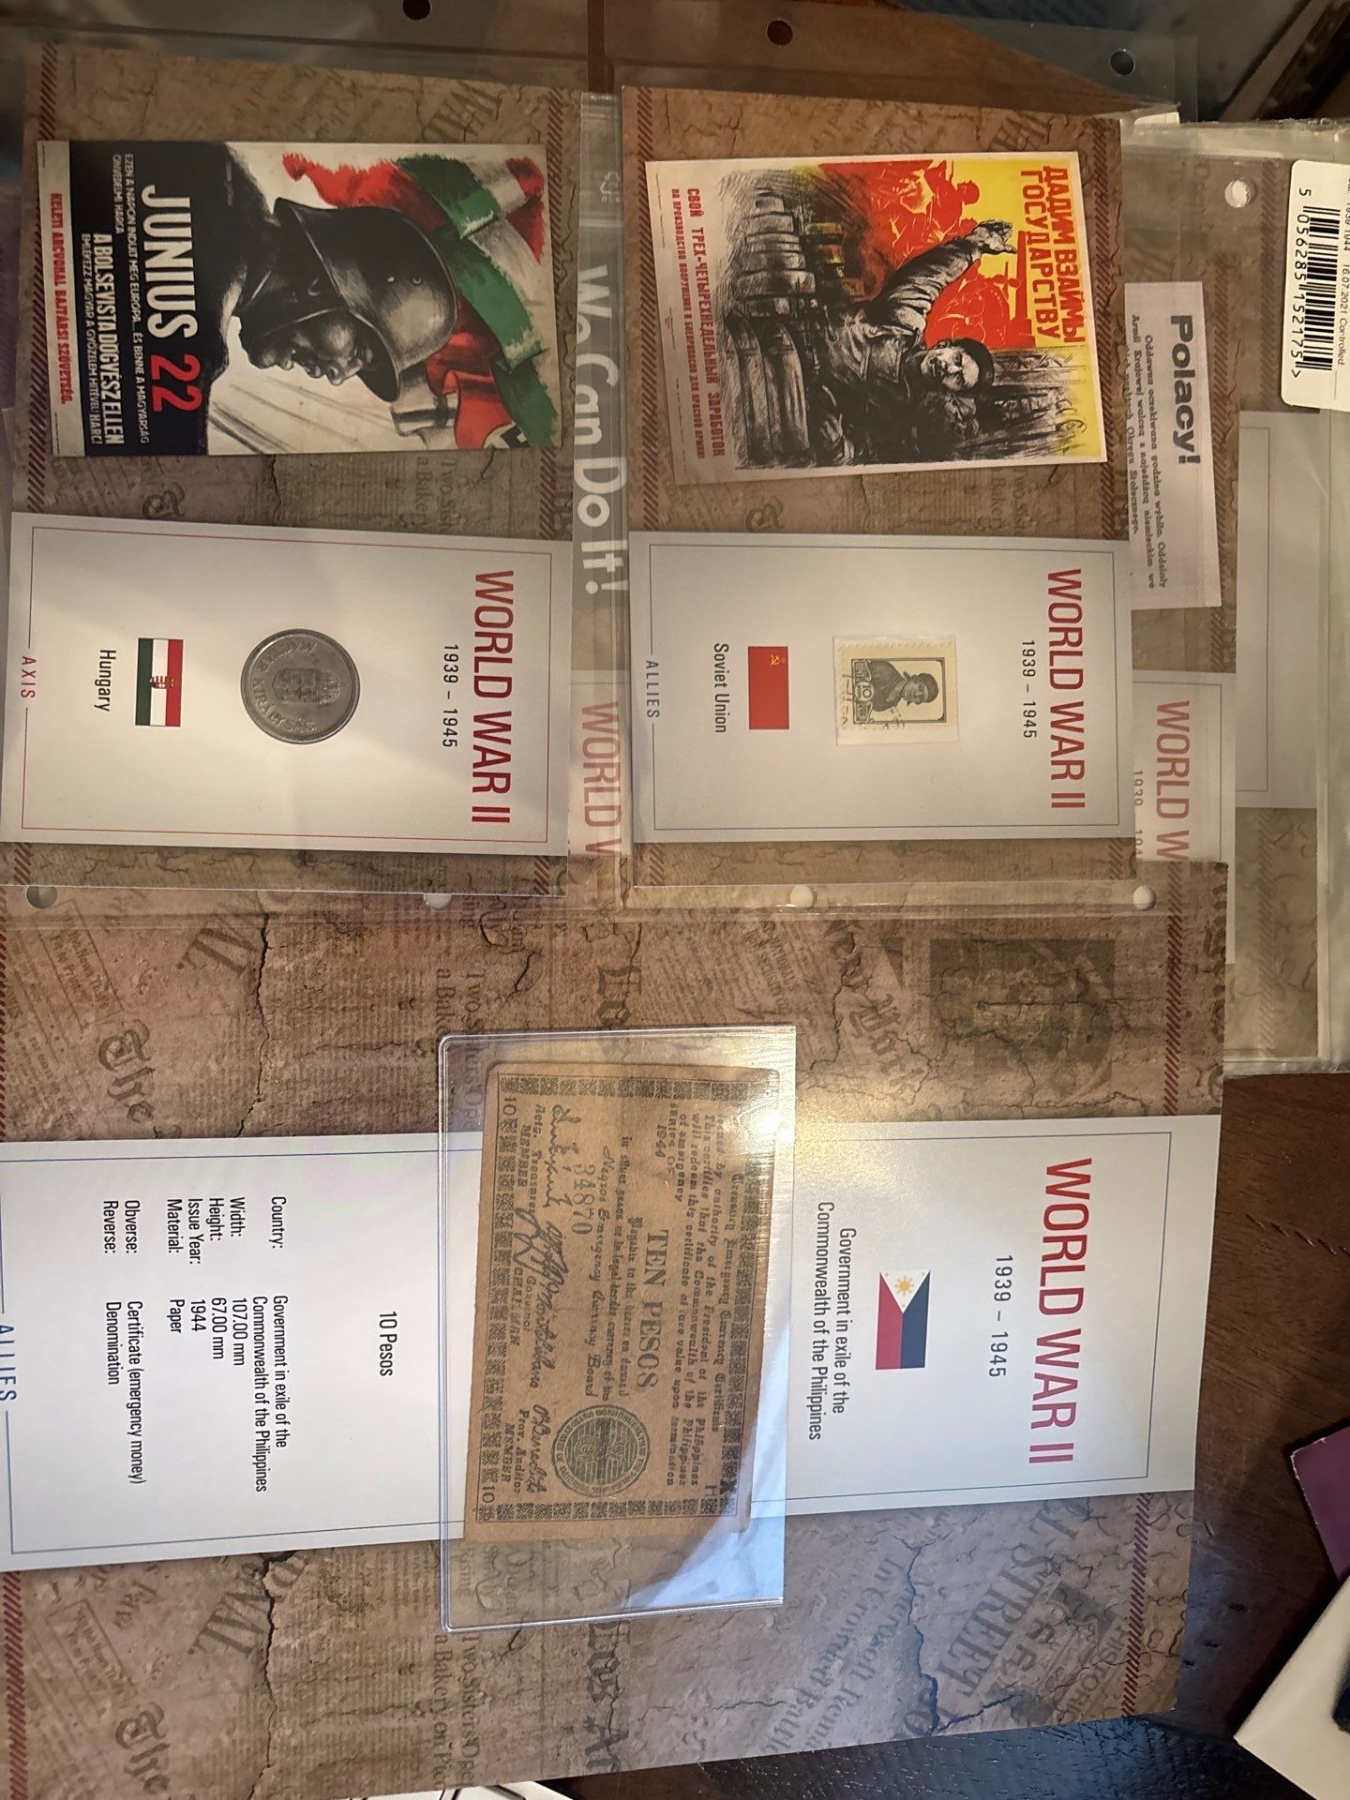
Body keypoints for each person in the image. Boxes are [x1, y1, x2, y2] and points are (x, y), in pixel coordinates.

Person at [811, 219, 1014, 465]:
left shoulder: (905, 415)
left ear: (950, 391)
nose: (949, 368)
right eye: (957, 359)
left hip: (802, 406)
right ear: (944, 345)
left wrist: (839, 449)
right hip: (802, 344)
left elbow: (867, 449)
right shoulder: (904, 325)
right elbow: (927, 278)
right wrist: (973, 246)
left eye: (958, 379)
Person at [854, 661, 940, 720]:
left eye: (920, 698)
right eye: (920, 688)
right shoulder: (885, 670)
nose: (916, 694)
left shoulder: (891, 704)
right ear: (914, 678)